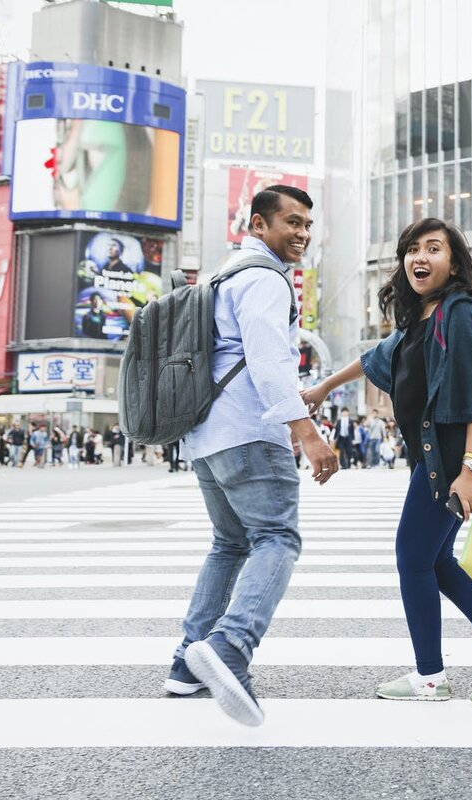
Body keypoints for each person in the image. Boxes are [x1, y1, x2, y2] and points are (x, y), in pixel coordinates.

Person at [301, 217, 472, 708]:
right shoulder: (422, 320)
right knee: (433, 559)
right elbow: (374, 358)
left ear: (454, 263)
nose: (419, 258)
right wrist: (322, 388)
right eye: (412, 249)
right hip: (438, 454)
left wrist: (470, 471)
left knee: (411, 556)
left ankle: (433, 674)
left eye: (433, 249)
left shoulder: (459, 314)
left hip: (454, 453)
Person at [170, 185, 338, 727]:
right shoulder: (265, 279)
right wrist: (305, 431)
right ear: (259, 224)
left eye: (307, 224)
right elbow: (269, 361)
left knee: (230, 542)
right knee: (277, 539)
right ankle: (231, 646)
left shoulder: (224, 273)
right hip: (247, 429)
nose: (302, 233)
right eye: (291, 222)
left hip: (204, 433)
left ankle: (188, 663)